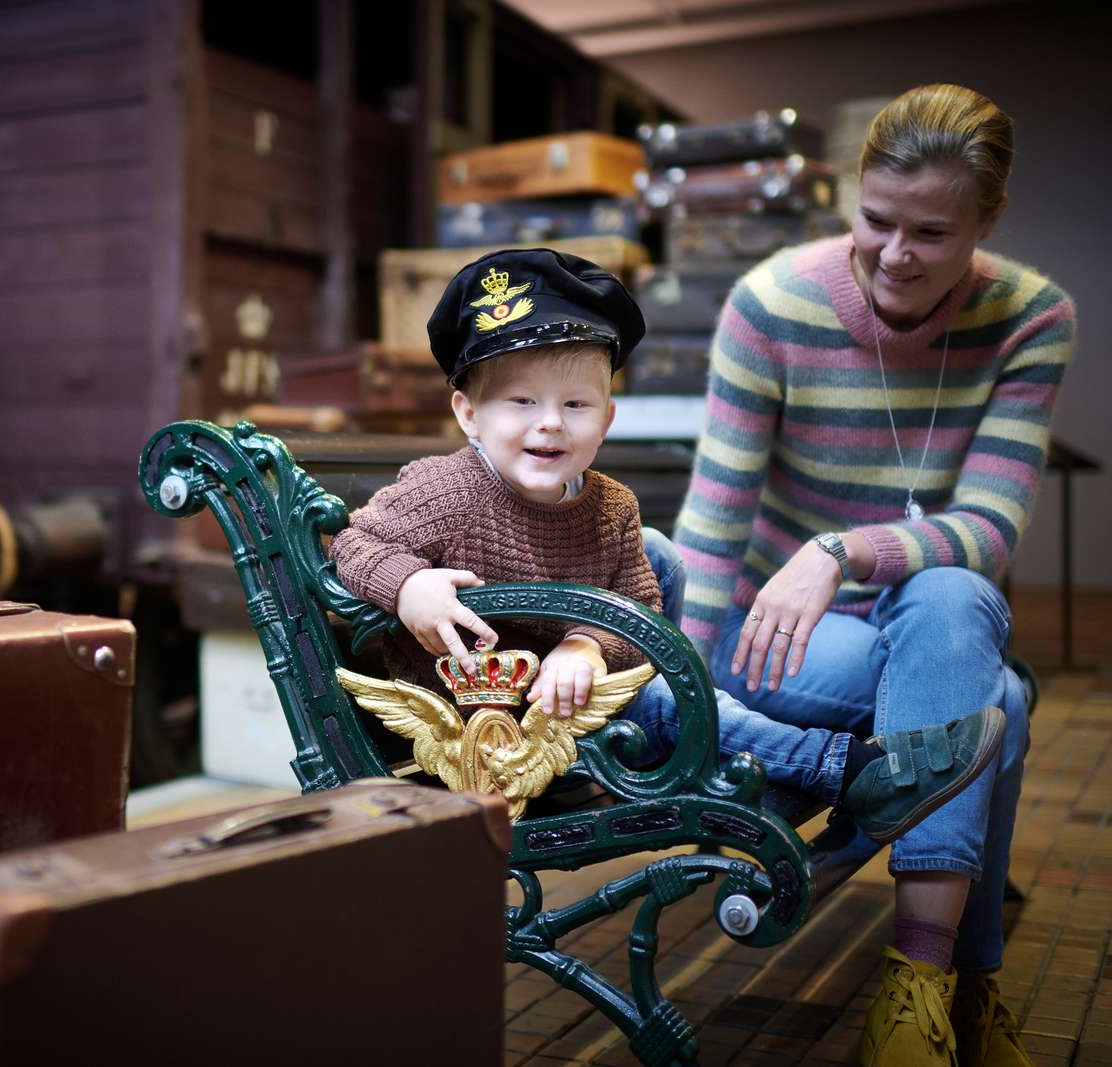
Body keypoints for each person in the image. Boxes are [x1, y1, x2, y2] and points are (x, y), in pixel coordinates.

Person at [328, 246, 1002, 851]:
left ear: (607, 419)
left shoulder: (611, 505)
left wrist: (587, 645)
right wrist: (409, 585)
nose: (549, 423)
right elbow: (355, 543)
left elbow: (639, 600)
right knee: (663, 698)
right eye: (520, 401)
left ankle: (803, 774)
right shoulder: (445, 491)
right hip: (489, 730)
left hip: (575, 704)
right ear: (468, 414)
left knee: (667, 660)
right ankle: (852, 772)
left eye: (576, 405)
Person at [673, 84, 1075, 1067]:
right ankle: (960, 989)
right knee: (996, 708)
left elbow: (988, 525)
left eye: (930, 231)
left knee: (955, 599)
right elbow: (715, 521)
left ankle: (918, 989)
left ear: (987, 220)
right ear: (850, 197)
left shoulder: (1031, 317)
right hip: (774, 636)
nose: (894, 253)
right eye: (874, 220)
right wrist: (678, 675)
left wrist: (842, 551)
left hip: (922, 613)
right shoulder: (771, 304)